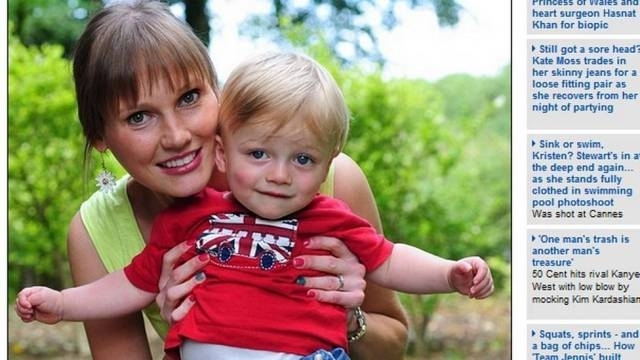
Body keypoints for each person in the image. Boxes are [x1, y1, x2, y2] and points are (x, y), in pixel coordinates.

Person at [16, 51, 494, 360]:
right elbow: (128, 284)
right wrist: (62, 303)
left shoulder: (325, 210)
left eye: (303, 159)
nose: (280, 174)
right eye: (259, 154)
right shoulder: (187, 219)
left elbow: (389, 258)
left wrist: (450, 273)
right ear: (229, 150)